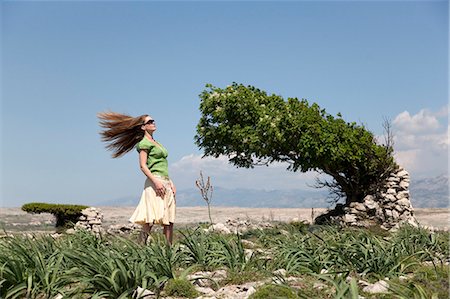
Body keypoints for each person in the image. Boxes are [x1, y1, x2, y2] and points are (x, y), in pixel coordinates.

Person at [97, 111, 176, 244]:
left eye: (153, 120)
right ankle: (140, 248)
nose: (153, 123)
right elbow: (143, 166)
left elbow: (163, 165)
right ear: (143, 127)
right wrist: (156, 182)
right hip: (155, 181)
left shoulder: (157, 143)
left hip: (165, 181)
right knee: (149, 220)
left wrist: (171, 183)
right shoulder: (143, 143)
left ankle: (169, 252)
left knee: (169, 220)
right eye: (149, 122)